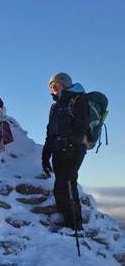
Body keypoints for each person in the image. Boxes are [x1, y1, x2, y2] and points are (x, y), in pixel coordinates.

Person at [42, 72, 89, 231]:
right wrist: (45, 155)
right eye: (51, 87)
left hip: (73, 150)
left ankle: (76, 227)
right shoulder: (55, 106)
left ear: (65, 84)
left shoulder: (78, 100)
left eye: (55, 85)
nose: (53, 89)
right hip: (58, 150)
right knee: (60, 187)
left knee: (68, 185)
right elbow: (50, 132)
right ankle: (69, 223)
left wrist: (71, 143)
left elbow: (81, 126)